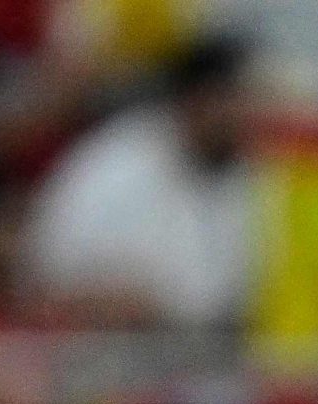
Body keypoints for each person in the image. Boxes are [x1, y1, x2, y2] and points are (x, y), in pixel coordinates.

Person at [20, 34, 263, 334]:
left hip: (217, 354)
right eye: (232, 99)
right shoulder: (112, 167)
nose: (242, 114)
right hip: (111, 355)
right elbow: (42, 280)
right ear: (195, 98)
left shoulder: (257, 174)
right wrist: (100, 300)